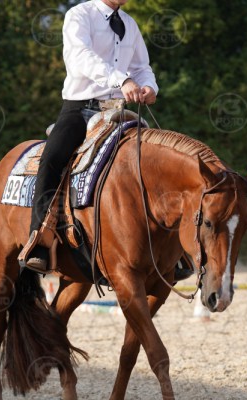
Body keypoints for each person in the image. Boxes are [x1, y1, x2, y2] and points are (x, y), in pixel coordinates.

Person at [18, 0, 158, 273]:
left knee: (154, 158)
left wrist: (149, 86)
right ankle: (40, 239)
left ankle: (166, 247)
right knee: (52, 159)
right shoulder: (79, 15)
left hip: (119, 111)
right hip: (80, 110)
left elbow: (142, 67)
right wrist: (122, 80)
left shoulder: (130, 24)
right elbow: (81, 57)